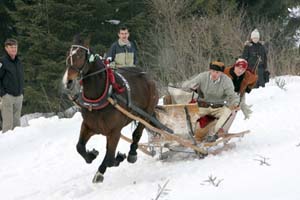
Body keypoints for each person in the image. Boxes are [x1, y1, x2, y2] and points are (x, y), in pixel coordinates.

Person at [182, 61, 240, 142]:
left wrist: (235, 104)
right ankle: (187, 134)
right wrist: (190, 87)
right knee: (188, 113)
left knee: (228, 112)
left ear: (221, 73)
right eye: (212, 71)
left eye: (217, 72)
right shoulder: (202, 76)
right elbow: (187, 84)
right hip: (203, 106)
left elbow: (233, 96)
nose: (214, 74)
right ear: (209, 70)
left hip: (218, 107)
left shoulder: (226, 81)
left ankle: (213, 134)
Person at [0, 39, 24, 133]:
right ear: (6, 48)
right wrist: (3, 94)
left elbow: (20, 77)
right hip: (7, 97)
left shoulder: (19, 61)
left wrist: (22, 92)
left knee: (17, 124)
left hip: (19, 96)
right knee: (8, 125)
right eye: (11, 47)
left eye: (15, 47)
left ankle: (16, 145)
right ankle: (6, 145)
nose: (14, 49)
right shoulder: (2, 61)